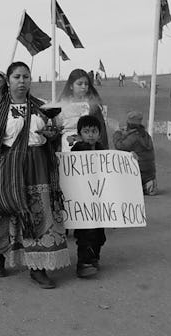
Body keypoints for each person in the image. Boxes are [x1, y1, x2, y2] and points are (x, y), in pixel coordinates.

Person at [0, 61, 69, 289]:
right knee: (3, 212)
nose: (22, 81)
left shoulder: (42, 108)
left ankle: (37, 267)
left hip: (37, 168)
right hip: (6, 170)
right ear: (8, 81)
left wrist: (52, 136)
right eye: (17, 77)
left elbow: (52, 139)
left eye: (26, 77)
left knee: (37, 215)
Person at [69, 115, 107, 278]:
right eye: (86, 131)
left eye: (94, 131)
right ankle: (83, 263)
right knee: (85, 233)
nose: (90, 135)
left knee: (99, 234)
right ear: (80, 134)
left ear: (99, 133)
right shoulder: (77, 150)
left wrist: (130, 157)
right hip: (82, 202)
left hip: (99, 200)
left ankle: (94, 258)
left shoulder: (103, 151)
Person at [56, 69, 109, 153]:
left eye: (86, 84)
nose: (83, 87)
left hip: (88, 150)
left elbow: (101, 132)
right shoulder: (61, 106)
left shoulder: (92, 107)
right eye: (79, 84)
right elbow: (56, 131)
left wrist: (103, 152)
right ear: (71, 86)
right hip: (65, 148)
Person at [113, 110, 158, 194]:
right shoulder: (146, 135)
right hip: (150, 174)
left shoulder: (133, 137)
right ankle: (148, 185)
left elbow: (119, 146)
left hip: (138, 174)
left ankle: (141, 186)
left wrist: (117, 133)